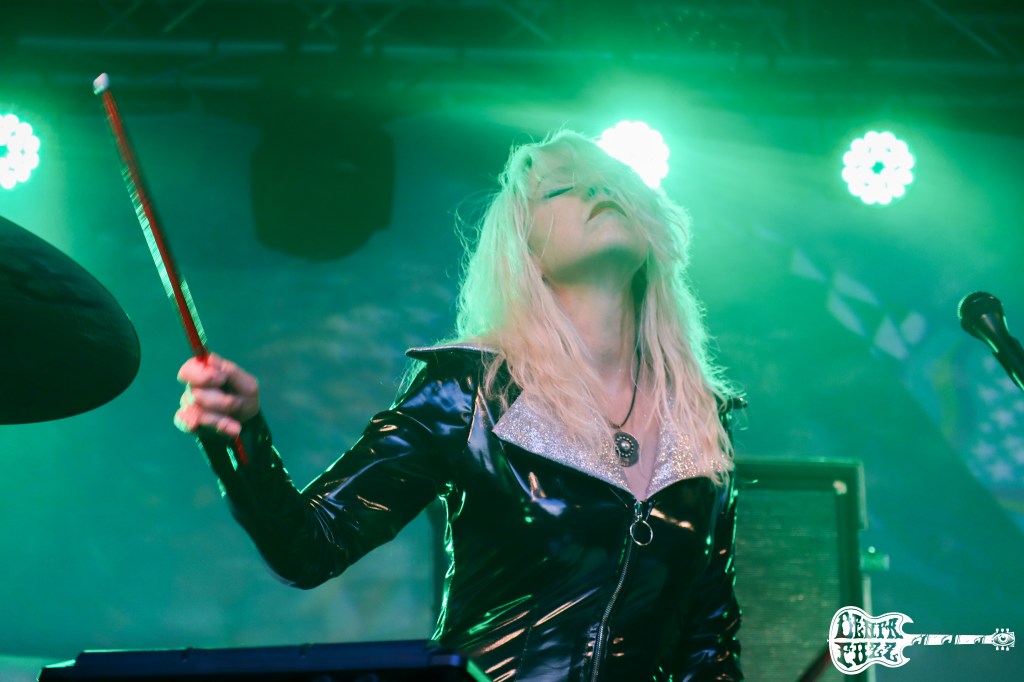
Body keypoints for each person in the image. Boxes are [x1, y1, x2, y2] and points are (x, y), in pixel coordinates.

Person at [175, 130, 744, 681]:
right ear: (526, 251)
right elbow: (310, 547)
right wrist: (241, 437)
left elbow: (708, 637)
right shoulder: (471, 388)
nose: (598, 190)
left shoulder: (699, 422)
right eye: (561, 188)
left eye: (614, 181)